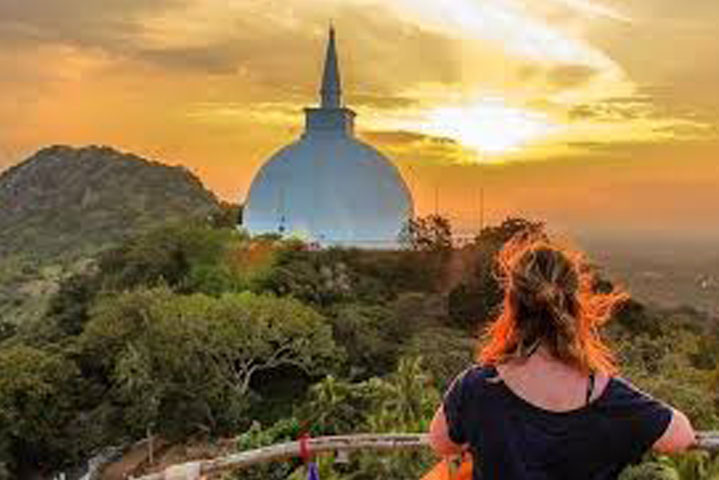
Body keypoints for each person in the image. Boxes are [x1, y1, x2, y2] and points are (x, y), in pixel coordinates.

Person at [429, 234, 696, 479]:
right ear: (575, 305)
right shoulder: (608, 398)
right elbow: (682, 438)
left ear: (512, 306)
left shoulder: (477, 388)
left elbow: (441, 442)